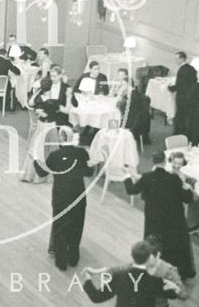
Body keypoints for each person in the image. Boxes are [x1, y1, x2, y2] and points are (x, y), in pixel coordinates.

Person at [123, 151, 196, 279]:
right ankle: (172, 272)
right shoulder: (174, 178)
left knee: (154, 243)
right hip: (174, 218)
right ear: (166, 161)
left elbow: (131, 190)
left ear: (152, 160)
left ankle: (153, 270)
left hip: (154, 218)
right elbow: (188, 199)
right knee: (172, 243)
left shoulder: (147, 177)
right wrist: (187, 188)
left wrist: (127, 177)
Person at [35, 127, 93, 270]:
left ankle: (61, 261)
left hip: (60, 196)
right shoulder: (82, 153)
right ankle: (74, 257)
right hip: (78, 196)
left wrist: (36, 160)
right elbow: (89, 172)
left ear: (60, 139)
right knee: (76, 226)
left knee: (60, 227)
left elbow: (41, 173)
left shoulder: (55, 155)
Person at [82, 240, 180, 306]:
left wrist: (88, 279)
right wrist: (175, 287)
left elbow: (96, 297)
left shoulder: (119, 277)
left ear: (133, 255)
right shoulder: (155, 281)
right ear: (148, 258)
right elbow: (173, 295)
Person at [144, 234, 188, 306]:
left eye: (147, 258)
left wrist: (176, 288)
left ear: (158, 255)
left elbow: (183, 296)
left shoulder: (168, 270)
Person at [168, 52, 197, 135]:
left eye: (176, 59)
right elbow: (194, 82)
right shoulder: (192, 68)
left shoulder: (182, 70)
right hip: (189, 95)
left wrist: (170, 88)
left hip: (182, 96)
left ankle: (179, 133)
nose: (175, 61)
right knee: (185, 115)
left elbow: (179, 85)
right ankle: (185, 133)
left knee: (180, 115)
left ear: (182, 59)